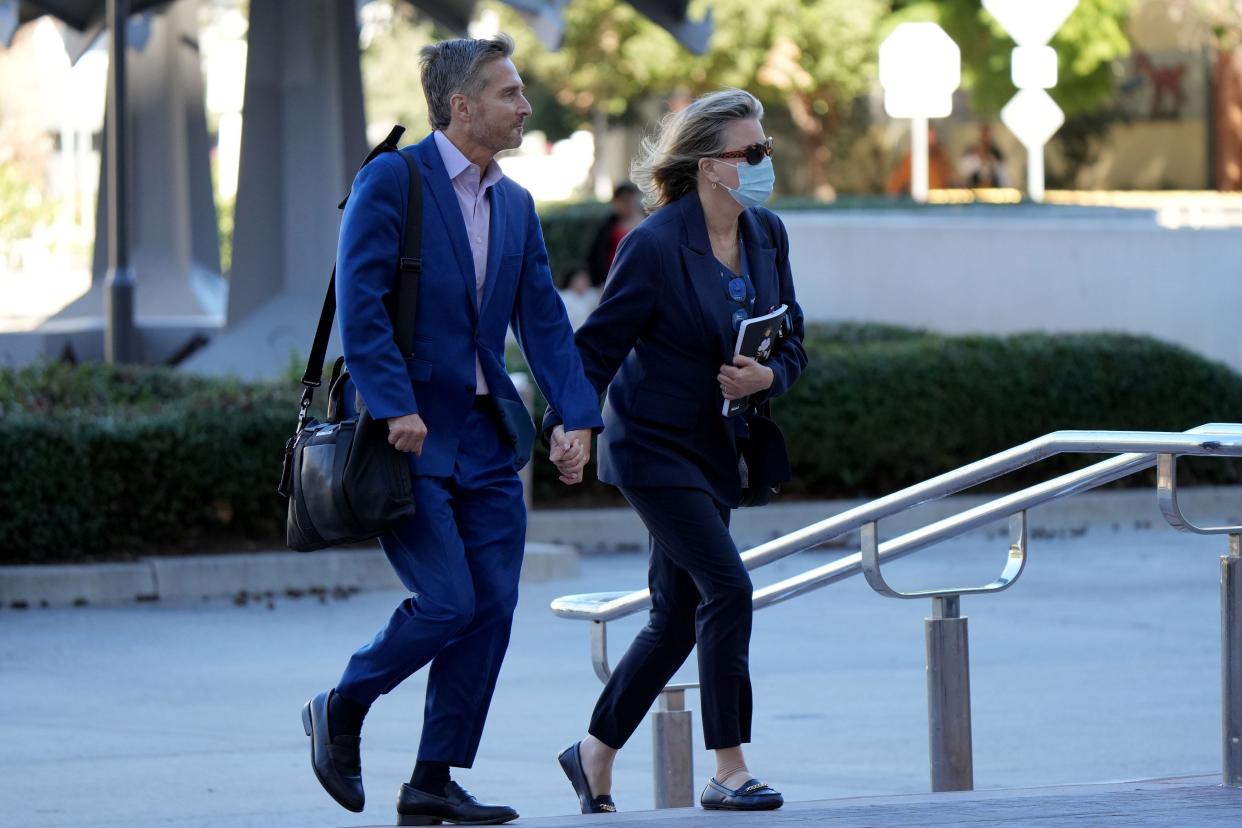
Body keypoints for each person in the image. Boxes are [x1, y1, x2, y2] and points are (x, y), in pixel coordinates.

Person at [301, 33, 602, 827]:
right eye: (510, 92)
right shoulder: (392, 181)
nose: (525, 105)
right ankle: (342, 705)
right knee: (446, 603)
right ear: (461, 106)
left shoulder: (516, 203)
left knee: (493, 606)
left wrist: (574, 416)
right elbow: (360, 304)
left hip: (485, 439)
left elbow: (543, 321)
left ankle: (431, 780)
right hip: (406, 438)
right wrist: (393, 401)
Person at [545, 88, 808, 814]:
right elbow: (597, 346)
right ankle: (728, 768)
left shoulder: (767, 234)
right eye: (749, 154)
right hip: (653, 447)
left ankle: (593, 752)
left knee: (672, 616)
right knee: (728, 589)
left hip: (720, 446)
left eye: (767, 152)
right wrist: (569, 422)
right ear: (706, 165)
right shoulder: (656, 245)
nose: (762, 165)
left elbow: (794, 341)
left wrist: (768, 374)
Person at [585, 181, 644, 288]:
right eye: (623, 200)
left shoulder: (648, 222)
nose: (627, 204)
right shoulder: (606, 227)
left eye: (630, 199)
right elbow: (595, 255)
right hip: (614, 280)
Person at [885, 125, 954, 195]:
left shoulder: (941, 158)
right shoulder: (910, 160)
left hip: (938, 202)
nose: (933, 140)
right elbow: (893, 189)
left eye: (934, 137)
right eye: (929, 137)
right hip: (916, 203)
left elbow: (951, 180)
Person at [957, 124, 1009, 188]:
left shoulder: (996, 154)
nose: (985, 137)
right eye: (983, 134)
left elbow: (1003, 176)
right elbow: (963, 172)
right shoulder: (971, 152)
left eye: (987, 134)